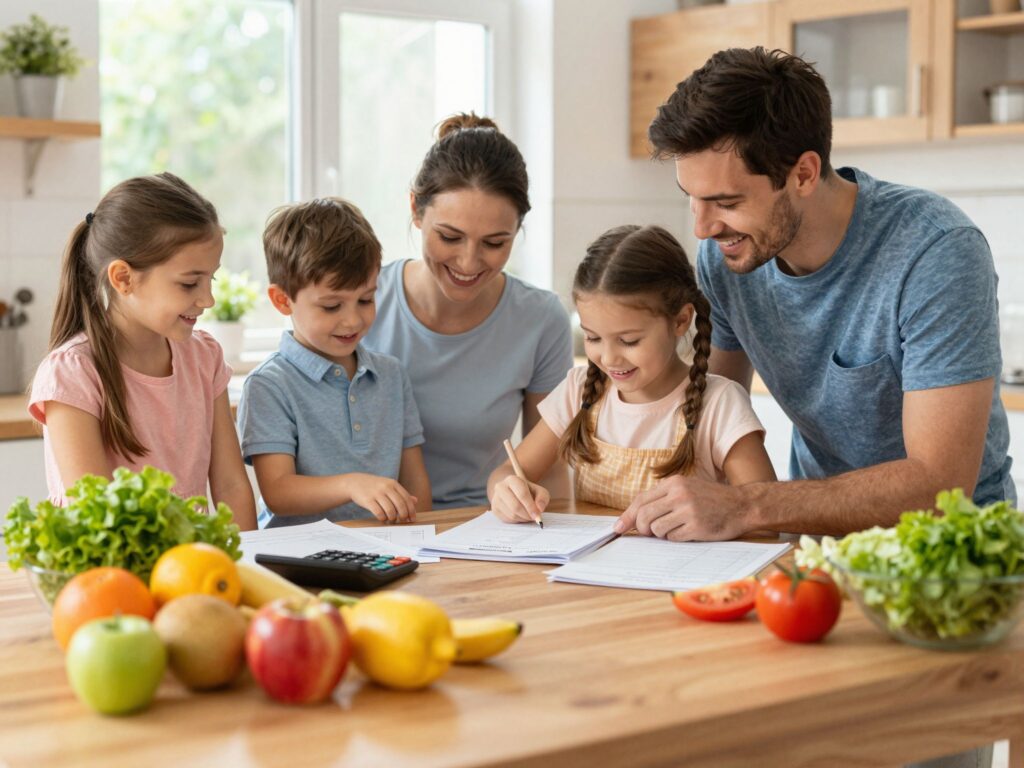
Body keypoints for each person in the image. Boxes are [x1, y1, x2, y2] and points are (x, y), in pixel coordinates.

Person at [619, 46, 1013, 548]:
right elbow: (714, 418)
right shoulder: (726, 257)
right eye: (691, 198)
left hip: (953, 553)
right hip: (818, 544)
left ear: (803, 173)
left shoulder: (934, 250)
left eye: (727, 202)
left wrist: (748, 505)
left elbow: (941, 486)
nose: (703, 227)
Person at [488, 224, 776, 525]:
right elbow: (505, 474)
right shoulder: (579, 389)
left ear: (680, 321)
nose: (609, 358)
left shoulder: (720, 404)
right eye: (593, 338)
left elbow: (766, 518)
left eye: (629, 341)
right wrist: (506, 492)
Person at [362, 113, 574, 509]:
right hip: (373, 529)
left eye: (495, 242)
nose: (469, 262)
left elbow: (550, 465)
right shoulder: (362, 303)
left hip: (483, 526)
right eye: (450, 237)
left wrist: (555, 542)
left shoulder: (541, 320)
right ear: (415, 210)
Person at [29, 172, 257, 530]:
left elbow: (231, 486)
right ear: (123, 278)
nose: (208, 299)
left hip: (186, 569)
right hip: (110, 572)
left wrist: (247, 565)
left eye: (209, 279)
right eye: (189, 283)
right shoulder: (73, 373)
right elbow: (96, 513)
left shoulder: (204, 358)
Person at [237, 197, 430, 527]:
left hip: (387, 550)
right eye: (331, 306)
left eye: (365, 299)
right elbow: (278, 491)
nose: (353, 320)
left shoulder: (391, 375)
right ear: (282, 300)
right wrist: (351, 484)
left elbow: (416, 483)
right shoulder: (269, 385)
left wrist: (425, 539)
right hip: (299, 560)